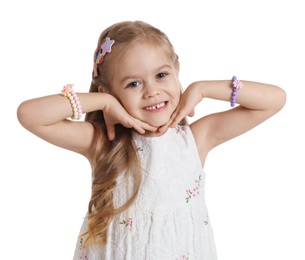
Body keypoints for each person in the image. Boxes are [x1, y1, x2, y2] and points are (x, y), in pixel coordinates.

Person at [17, 20, 286, 260]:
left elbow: (274, 100)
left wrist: (203, 88)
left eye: (161, 75)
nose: (152, 91)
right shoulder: (102, 143)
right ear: (109, 91)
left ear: (176, 70)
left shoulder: (195, 139)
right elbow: (30, 115)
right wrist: (103, 102)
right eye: (133, 84)